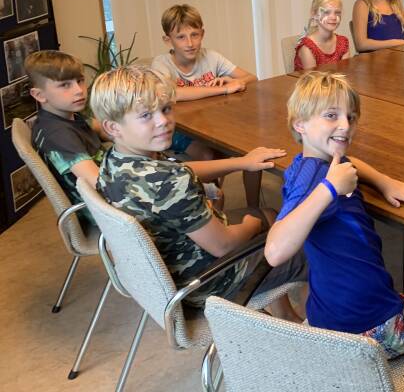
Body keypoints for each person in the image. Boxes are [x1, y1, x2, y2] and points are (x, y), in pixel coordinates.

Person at [264, 71, 404, 359]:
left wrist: (384, 182)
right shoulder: (317, 181)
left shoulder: (308, 164)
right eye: (331, 115)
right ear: (299, 124)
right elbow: (275, 252)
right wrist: (330, 188)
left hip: (329, 316)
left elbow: (351, 163)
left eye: (350, 117)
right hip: (371, 321)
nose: (345, 125)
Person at [91, 66, 306, 313]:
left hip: (169, 276)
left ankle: (284, 313)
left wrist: (241, 162)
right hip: (209, 283)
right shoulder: (169, 181)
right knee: (310, 243)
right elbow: (224, 246)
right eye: (146, 115)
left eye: (165, 109)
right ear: (113, 127)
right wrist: (252, 225)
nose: (163, 121)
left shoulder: (112, 162)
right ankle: (317, 327)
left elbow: (178, 171)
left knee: (268, 215)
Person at [152, 4, 260, 202]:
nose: (190, 43)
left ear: (202, 34)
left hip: (213, 124)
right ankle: (213, 201)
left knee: (251, 146)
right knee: (208, 156)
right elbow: (173, 93)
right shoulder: (161, 64)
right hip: (177, 129)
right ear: (168, 40)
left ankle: (253, 205)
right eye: (181, 37)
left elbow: (252, 78)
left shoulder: (211, 57)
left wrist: (232, 81)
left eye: (195, 35)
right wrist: (223, 89)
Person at [25, 50, 106, 230]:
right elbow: (99, 183)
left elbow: (104, 129)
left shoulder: (66, 115)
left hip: (107, 192)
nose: (79, 91)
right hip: (104, 211)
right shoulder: (57, 135)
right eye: (65, 85)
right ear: (39, 95)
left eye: (80, 81)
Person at [294, 0, 350, 70]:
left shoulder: (343, 43)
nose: (333, 17)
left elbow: (346, 73)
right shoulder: (307, 48)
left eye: (337, 12)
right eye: (326, 12)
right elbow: (314, 78)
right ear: (314, 14)